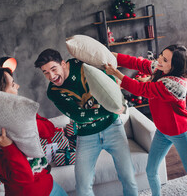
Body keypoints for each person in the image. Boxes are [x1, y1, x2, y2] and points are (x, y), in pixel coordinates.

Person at [104, 44, 187, 196]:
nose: (159, 60)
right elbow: (138, 63)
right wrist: (113, 55)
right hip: (162, 132)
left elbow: (142, 90)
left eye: (165, 59)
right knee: (151, 170)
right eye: (161, 55)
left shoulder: (175, 85)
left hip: (180, 133)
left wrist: (117, 74)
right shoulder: (160, 68)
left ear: (174, 66)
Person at [34, 49, 138, 196]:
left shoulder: (81, 64)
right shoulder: (53, 92)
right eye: (45, 72)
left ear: (63, 64)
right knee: (82, 187)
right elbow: (79, 116)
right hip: (86, 135)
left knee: (129, 177)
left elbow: (108, 81)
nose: (51, 76)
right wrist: (113, 109)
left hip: (113, 127)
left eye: (53, 69)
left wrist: (116, 98)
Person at [0, 66, 67, 196]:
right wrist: (7, 145)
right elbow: (23, 177)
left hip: (51, 186)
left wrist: (25, 122)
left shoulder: (22, 111)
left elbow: (49, 131)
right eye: (12, 85)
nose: (17, 86)